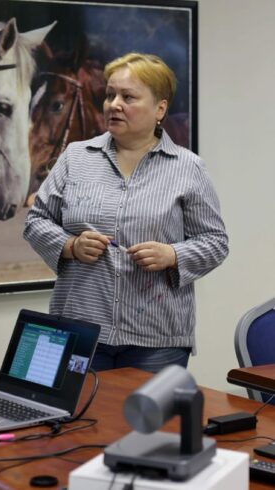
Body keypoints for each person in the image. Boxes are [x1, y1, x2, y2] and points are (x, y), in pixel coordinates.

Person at [24, 52, 228, 373]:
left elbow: (215, 242)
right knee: (81, 409)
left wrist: (172, 255)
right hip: (80, 329)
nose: (113, 105)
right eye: (109, 95)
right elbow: (36, 221)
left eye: (128, 97)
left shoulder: (188, 168)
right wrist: (71, 245)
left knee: (146, 410)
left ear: (160, 109)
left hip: (157, 339)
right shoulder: (75, 157)